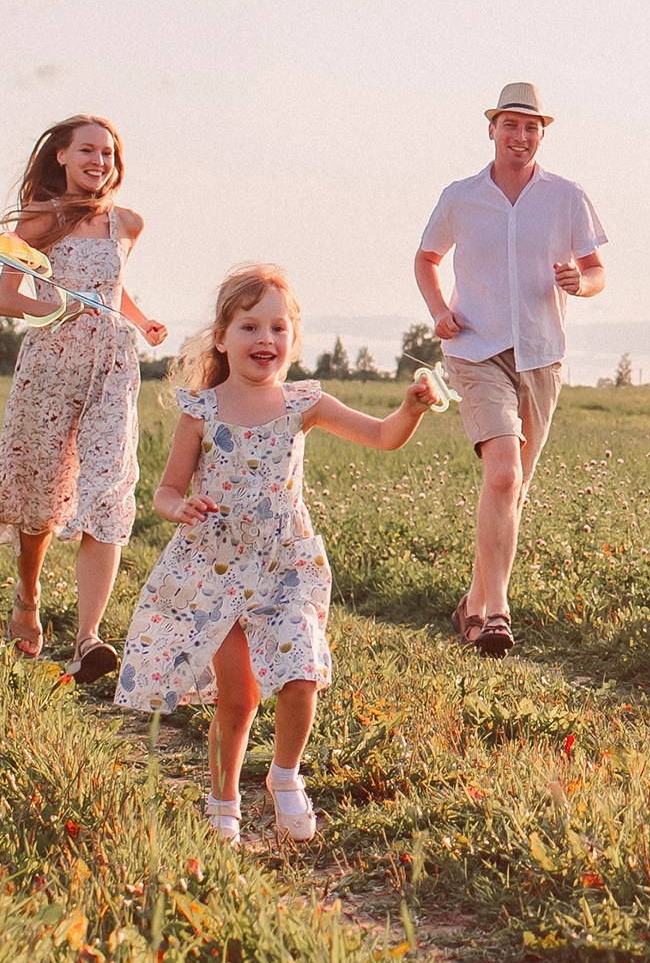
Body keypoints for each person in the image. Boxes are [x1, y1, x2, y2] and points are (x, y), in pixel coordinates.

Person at [115, 265, 443, 844]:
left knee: (301, 674)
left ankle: (285, 777)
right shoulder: (202, 412)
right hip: (216, 568)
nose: (264, 339)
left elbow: (384, 435)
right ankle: (222, 802)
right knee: (238, 698)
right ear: (222, 337)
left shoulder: (304, 403)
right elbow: (167, 490)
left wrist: (411, 409)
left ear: (292, 339)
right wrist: (178, 508)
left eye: (277, 327)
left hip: (284, 563)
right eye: (248, 327)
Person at [0, 115, 168, 679]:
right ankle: (28, 594)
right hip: (51, 366)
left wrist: (142, 319)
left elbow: (116, 283)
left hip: (112, 366)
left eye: (108, 154)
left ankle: (88, 640)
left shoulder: (127, 223)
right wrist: (56, 307)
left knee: (107, 489)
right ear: (61, 155)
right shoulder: (38, 221)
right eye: (88, 151)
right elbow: (8, 300)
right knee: (41, 493)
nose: (99, 162)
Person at [414, 82, 607, 656]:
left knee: (513, 488)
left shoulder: (567, 197)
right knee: (502, 473)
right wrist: (440, 311)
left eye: (531, 128)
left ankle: (473, 604)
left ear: (541, 134)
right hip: (476, 349)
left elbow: (596, 269)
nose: (520, 137)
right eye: (510, 125)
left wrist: (583, 282)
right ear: (492, 128)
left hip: (543, 353)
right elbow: (427, 259)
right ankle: (496, 611)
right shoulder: (460, 196)